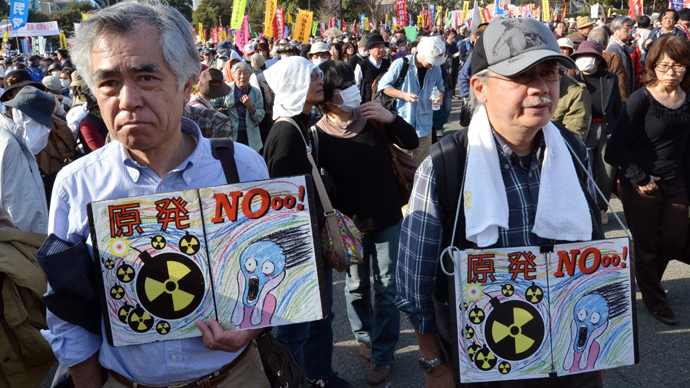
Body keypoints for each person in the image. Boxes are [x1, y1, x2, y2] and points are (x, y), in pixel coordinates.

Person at [41, 3, 272, 387]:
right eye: (109, 82)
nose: (128, 100)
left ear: (186, 85)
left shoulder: (242, 168)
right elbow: (64, 306)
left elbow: (270, 270)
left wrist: (253, 327)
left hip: (235, 375)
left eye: (147, 77)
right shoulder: (76, 184)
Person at [396, 17, 603, 388]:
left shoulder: (571, 150)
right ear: (480, 88)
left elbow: (594, 251)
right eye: (523, 76)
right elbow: (415, 284)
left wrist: (601, 347)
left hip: (569, 349)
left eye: (551, 73)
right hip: (485, 358)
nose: (541, 89)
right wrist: (432, 363)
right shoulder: (445, 166)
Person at [315, 60, 418, 386]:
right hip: (349, 228)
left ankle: (383, 354)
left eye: (351, 83)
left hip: (388, 218)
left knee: (387, 290)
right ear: (327, 98)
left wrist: (392, 118)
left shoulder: (374, 117)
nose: (351, 91)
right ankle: (363, 336)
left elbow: (412, 142)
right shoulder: (317, 135)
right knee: (357, 286)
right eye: (342, 87)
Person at [263, 56, 352, 388]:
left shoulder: (300, 124)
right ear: (293, 84)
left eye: (317, 74)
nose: (320, 80)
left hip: (311, 241)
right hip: (297, 249)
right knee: (296, 327)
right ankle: (298, 380)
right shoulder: (286, 133)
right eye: (311, 75)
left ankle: (320, 375)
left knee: (320, 318)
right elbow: (282, 206)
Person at [606, 35, 690, 326]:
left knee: (675, 238)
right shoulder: (641, 99)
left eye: (679, 65)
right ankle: (655, 300)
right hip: (642, 186)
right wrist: (640, 177)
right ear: (653, 65)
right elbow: (613, 148)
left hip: (677, 181)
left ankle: (645, 278)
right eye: (665, 65)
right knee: (645, 245)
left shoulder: (687, 98)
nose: (671, 72)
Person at [571, 41, 623, 224]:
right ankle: (586, 209)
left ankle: (601, 208)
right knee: (585, 172)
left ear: (599, 60)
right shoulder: (572, 80)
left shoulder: (610, 79)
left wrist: (621, 131)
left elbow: (618, 106)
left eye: (590, 56)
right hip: (582, 130)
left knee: (607, 174)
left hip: (606, 130)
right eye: (580, 56)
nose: (584, 59)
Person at [379, 37, 445, 164]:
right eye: (430, 61)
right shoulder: (401, 64)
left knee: (422, 164)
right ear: (421, 53)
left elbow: (441, 87)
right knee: (400, 164)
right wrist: (402, 94)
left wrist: (440, 95)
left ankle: (418, 184)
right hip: (402, 122)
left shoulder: (435, 68)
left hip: (425, 125)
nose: (432, 64)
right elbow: (383, 86)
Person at [0, 86, 51, 233]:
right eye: (39, 124)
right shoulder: (7, 143)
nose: (42, 130)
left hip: (25, 239)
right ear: (21, 116)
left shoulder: (19, 144)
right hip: (15, 240)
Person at [212, 61, 265, 152]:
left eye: (245, 73)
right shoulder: (226, 89)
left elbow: (260, 117)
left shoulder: (255, 92)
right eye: (239, 73)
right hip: (230, 135)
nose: (242, 77)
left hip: (251, 138)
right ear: (233, 75)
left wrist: (251, 107)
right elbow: (212, 105)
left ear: (249, 76)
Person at [355, 33, 390, 103]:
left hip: (385, 105)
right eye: (378, 47)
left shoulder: (388, 64)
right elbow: (356, 86)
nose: (381, 49)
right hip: (367, 104)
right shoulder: (362, 66)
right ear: (370, 49)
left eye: (383, 47)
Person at [607, 16, 636, 95]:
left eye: (631, 27)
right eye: (627, 28)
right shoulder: (613, 48)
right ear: (615, 30)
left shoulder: (622, 46)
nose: (631, 30)